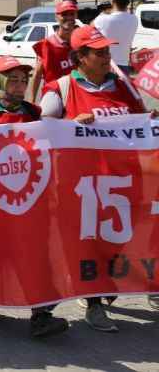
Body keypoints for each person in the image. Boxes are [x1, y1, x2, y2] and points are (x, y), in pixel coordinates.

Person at [40, 25, 159, 331]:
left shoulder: (123, 85)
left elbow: (142, 120)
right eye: (100, 52)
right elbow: (41, 131)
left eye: (108, 50)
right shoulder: (61, 89)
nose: (108, 56)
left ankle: (105, 294)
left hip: (124, 183)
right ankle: (92, 305)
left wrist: (151, 121)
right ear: (80, 57)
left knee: (121, 241)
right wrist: (72, 123)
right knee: (89, 243)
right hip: (85, 189)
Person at [0, 56, 69, 338]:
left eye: (23, 80)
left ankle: (42, 313)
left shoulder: (34, 112)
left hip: (27, 198)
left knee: (38, 253)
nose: (19, 86)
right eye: (12, 80)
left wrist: (75, 126)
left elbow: (52, 143)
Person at [30, 0, 78, 102]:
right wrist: (32, 100)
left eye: (72, 14)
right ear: (56, 17)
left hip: (75, 97)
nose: (69, 17)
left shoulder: (79, 43)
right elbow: (37, 75)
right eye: (64, 14)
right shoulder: (46, 45)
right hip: (53, 97)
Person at [93, 0, 138, 74]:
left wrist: (104, 13)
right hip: (124, 64)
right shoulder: (134, 19)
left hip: (106, 64)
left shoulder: (102, 19)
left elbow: (90, 28)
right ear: (128, 3)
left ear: (112, 2)